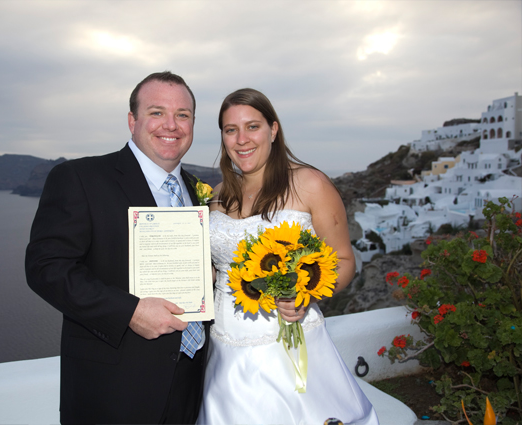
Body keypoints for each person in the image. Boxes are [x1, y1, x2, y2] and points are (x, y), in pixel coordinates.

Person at [25, 71, 209, 424]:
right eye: (156, 112)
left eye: (182, 115)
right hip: (113, 397)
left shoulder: (197, 189)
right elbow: (45, 267)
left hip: (189, 394)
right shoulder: (81, 178)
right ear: (132, 120)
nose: (171, 124)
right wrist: (130, 312)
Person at [196, 88, 379, 425]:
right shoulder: (218, 196)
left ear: (273, 130)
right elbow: (211, 271)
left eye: (253, 126)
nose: (241, 139)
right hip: (224, 352)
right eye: (230, 129)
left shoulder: (310, 184)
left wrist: (305, 293)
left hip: (291, 347)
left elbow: (344, 260)